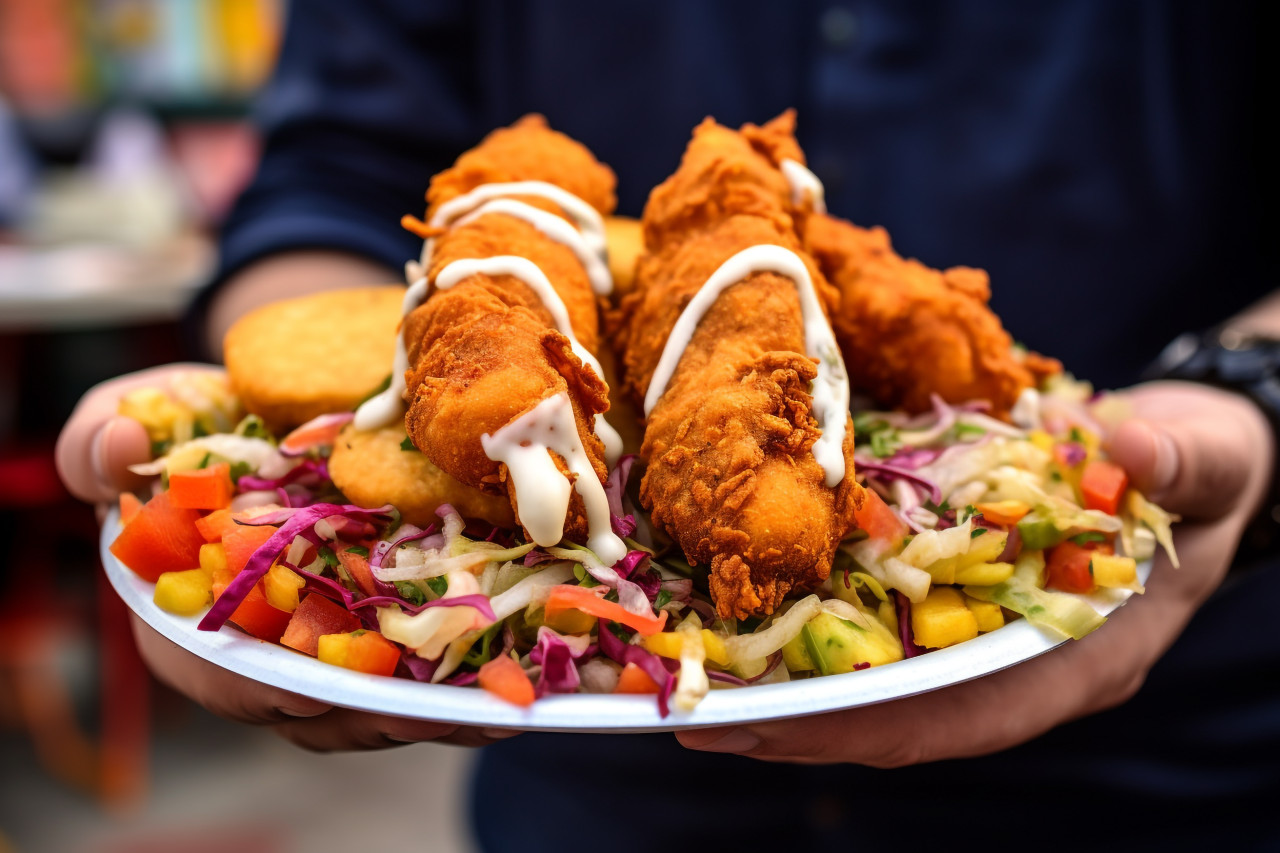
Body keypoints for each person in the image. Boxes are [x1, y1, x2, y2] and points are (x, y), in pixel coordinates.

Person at [57, 2, 1275, 848]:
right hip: (590, 789)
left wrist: (1247, 394)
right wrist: (284, 436)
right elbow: (329, 164)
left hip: (1168, 775)